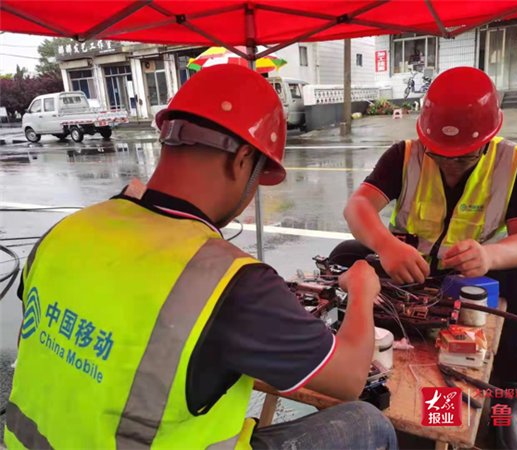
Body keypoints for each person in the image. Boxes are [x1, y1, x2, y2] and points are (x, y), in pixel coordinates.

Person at [5, 65, 397, 450]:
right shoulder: (227, 282)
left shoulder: (65, 232)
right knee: (368, 423)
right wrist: (361, 291)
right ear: (242, 160)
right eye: (258, 176)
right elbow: (348, 378)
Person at [333, 66, 517, 450]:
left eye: (463, 159)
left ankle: (506, 397)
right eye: (440, 155)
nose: (450, 165)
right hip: (409, 270)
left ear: (488, 140)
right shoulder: (404, 155)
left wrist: (489, 255)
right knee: (344, 258)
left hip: (472, 277)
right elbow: (358, 207)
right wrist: (386, 246)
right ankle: (346, 360)